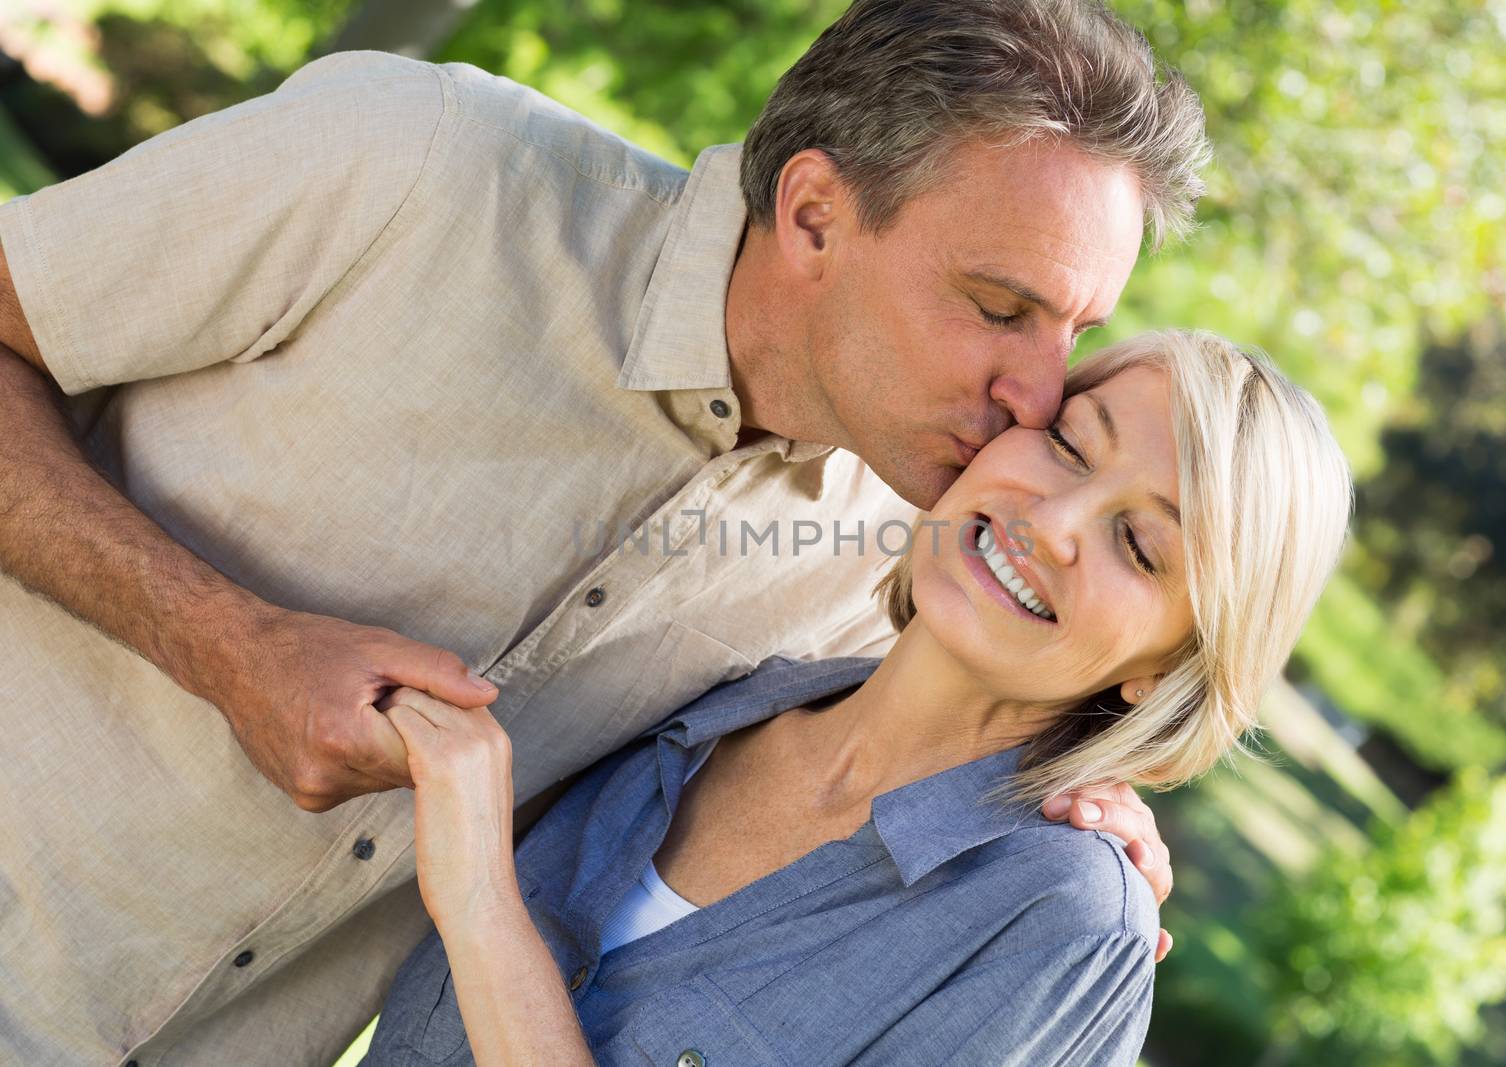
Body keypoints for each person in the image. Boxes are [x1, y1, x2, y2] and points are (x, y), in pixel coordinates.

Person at [0, 2, 1209, 1063]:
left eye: (1075, 331)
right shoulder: (416, 169)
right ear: (814, 213)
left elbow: (985, 717)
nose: (1038, 392)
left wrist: (1089, 823)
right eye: (1001, 308)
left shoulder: (893, 559)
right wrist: (225, 640)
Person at [360, 329, 1354, 1065]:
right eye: (1066, 444)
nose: (1052, 522)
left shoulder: (1060, 922)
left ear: (1169, 667)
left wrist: (484, 903)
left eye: (1139, 545)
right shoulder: (716, 701)